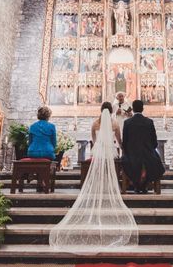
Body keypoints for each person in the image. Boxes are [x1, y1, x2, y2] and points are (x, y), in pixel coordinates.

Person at [49, 108, 138, 252]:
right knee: (114, 163)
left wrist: (98, 148)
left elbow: (93, 140)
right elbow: (119, 140)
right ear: (110, 112)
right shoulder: (114, 123)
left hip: (98, 151)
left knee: (98, 161)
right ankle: (110, 186)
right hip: (110, 150)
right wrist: (121, 148)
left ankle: (97, 186)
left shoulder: (95, 124)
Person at [121, 100, 166, 193]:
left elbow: (124, 142)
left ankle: (137, 185)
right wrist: (150, 149)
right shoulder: (149, 122)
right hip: (147, 155)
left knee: (128, 163)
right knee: (155, 162)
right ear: (142, 109)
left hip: (132, 156)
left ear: (132, 109)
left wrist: (127, 152)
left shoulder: (127, 123)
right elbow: (154, 141)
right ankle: (144, 185)